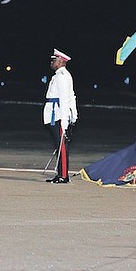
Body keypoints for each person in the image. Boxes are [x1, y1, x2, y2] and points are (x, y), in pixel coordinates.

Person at [42, 48, 78, 184]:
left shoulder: (62, 76)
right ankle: (60, 173)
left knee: (62, 146)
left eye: (54, 60)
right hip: (55, 114)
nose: (52, 62)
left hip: (57, 115)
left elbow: (65, 99)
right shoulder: (61, 75)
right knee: (59, 145)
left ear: (61, 61)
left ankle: (63, 176)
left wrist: (65, 120)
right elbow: (72, 96)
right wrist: (74, 114)